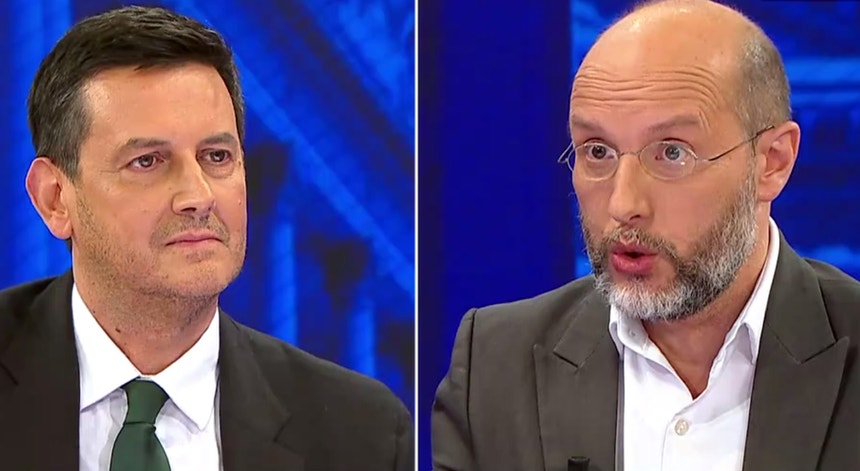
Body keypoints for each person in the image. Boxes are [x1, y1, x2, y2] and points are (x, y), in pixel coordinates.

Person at [432, 1, 860, 470]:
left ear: (772, 163)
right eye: (597, 151)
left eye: (672, 153)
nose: (623, 204)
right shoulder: (495, 368)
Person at [0, 6, 412, 471]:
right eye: (147, 162)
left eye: (216, 156)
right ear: (55, 199)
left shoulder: (365, 435)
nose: (198, 196)